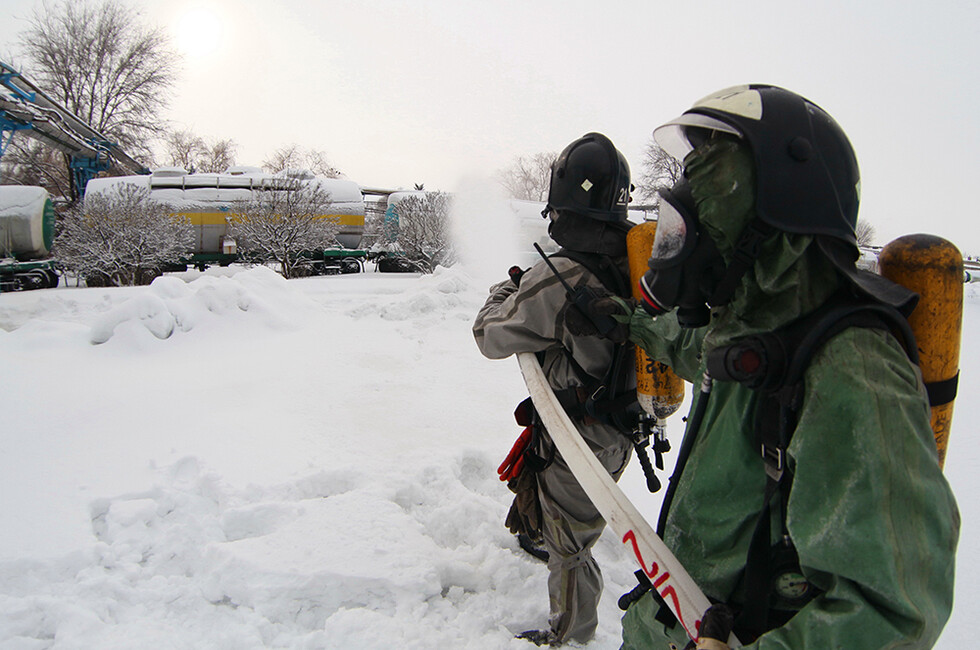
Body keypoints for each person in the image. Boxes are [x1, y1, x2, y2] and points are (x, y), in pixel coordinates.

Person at [586, 85, 959, 648]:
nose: (690, 215)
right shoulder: (749, 328)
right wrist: (628, 321)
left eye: (711, 194)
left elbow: (891, 611)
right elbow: (692, 349)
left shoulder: (850, 367)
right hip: (671, 622)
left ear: (771, 211)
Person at [473, 132, 641, 646]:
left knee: (570, 547)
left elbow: (489, 333)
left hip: (580, 437)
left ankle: (570, 634)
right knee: (563, 514)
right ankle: (542, 536)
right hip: (621, 424)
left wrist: (510, 288)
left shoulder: (563, 274)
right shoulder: (635, 262)